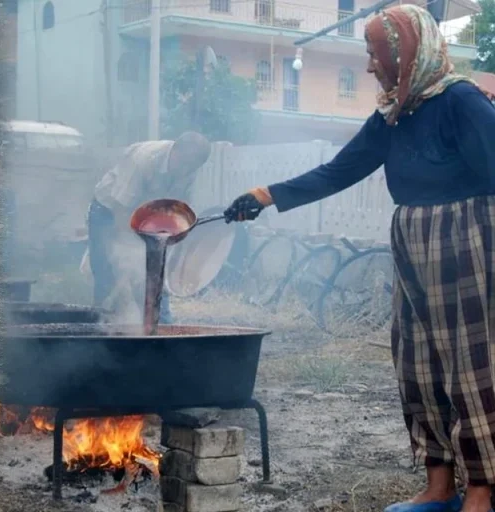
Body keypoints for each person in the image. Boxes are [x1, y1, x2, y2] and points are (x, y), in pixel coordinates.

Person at [224, 5, 495, 512]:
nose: (370, 65)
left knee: (470, 366)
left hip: (465, 238)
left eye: (374, 52)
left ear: (403, 52)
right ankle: (440, 486)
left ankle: (481, 490)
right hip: (413, 239)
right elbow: (339, 169)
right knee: (417, 362)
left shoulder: (462, 103)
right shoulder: (398, 110)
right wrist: (265, 195)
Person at [87, 132, 211, 322]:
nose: (186, 170)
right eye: (184, 164)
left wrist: (169, 249)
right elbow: (121, 210)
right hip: (109, 210)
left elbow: (180, 212)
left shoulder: (190, 169)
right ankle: (102, 329)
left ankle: (161, 327)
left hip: (150, 217)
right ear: (175, 151)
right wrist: (127, 255)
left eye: (192, 167)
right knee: (108, 274)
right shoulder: (144, 159)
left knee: (155, 274)